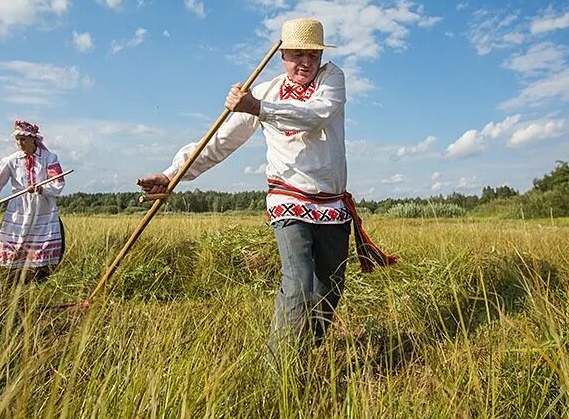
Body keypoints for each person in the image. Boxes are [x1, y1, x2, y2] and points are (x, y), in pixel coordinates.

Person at [138, 18, 396, 360]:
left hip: (332, 203)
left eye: (312, 55)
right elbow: (221, 141)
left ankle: (303, 351)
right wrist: (174, 174)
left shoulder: (332, 79)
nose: (305, 62)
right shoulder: (263, 91)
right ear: (282, 54)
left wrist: (258, 108)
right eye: (297, 54)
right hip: (287, 198)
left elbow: (315, 115)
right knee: (298, 283)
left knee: (330, 288)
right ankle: (279, 366)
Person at [0, 120, 67, 283]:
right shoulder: (10, 160)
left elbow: (58, 183)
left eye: (23, 139)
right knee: (14, 250)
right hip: (19, 211)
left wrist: (41, 189)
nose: (20, 143)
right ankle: (12, 284)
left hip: (43, 210)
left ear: (33, 139)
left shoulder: (49, 158)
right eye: (17, 139)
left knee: (44, 248)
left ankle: (39, 283)